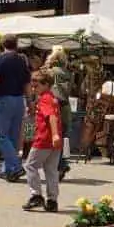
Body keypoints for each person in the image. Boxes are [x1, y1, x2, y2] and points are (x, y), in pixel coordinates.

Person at [0, 34, 31, 182]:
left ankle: (15, 166)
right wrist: (30, 103)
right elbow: (27, 84)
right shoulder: (22, 60)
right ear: (16, 44)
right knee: (13, 137)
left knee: (0, 136)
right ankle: (7, 170)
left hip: (5, 100)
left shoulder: (0, 59)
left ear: (2, 45)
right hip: (19, 100)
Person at [22, 69, 63, 212]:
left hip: (44, 139)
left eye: (36, 85)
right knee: (51, 170)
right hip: (53, 142)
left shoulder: (45, 98)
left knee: (30, 166)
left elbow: (51, 116)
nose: (33, 88)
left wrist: (55, 135)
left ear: (46, 84)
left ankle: (36, 195)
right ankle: (52, 200)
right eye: (32, 86)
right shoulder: (51, 97)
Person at [44, 47, 72, 179]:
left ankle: (57, 165)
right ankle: (61, 164)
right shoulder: (68, 73)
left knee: (51, 136)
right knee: (62, 136)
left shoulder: (50, 72)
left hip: (53, 107)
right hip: (65, 107)